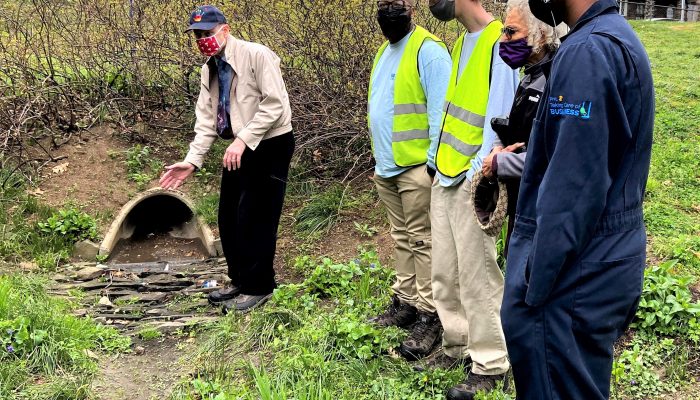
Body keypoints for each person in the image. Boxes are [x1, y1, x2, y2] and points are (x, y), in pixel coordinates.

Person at [499, 0, 654, 396]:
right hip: (601, 258)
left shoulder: (587, 52)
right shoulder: (614, 37)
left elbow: (572, 190)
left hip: (572, 277)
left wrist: (531, 289)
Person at [159, 5, 294, 313]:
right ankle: (240, 281)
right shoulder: (210, 68)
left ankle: (260, 286)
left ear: (225, 29)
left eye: (207, 33)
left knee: (255, 216)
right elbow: (207, 119)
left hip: (270, 144)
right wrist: (192, 161)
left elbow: (275, 105)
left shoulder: (256, 55)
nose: (203, 40)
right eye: (198, 36)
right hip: (240, 146)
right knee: (229, 216)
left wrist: (243, 139)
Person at [424, 0, 520, 398]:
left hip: (470, 176)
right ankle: (457, 343)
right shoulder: (463, 42)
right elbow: (451, 112)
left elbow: (500, 119)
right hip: (445, 171)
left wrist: (479, 175)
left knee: (479, 274)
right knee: (445, 270)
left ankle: (492, 361)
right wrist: (435, 160)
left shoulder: (499, 41)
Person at [367, 0, 452, 361]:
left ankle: (430, 315)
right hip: (387, 165)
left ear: (412, 9)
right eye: (384, 3)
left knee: (423, 241)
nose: (390, 10)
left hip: (417, 167)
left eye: (397, 4)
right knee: (402, 238)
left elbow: (441, 110)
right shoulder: (384, 52)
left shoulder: (429, 50)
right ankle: (405, 302)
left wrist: (433, 164)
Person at [481, 0, 563, 255]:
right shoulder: (530, 75)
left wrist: (500, 164)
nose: (503, 40)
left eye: (511, 32)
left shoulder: (555, 80)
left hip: (543, 214)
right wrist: (499, 146)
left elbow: (555, 156)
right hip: (523, 207)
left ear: (540, 33)